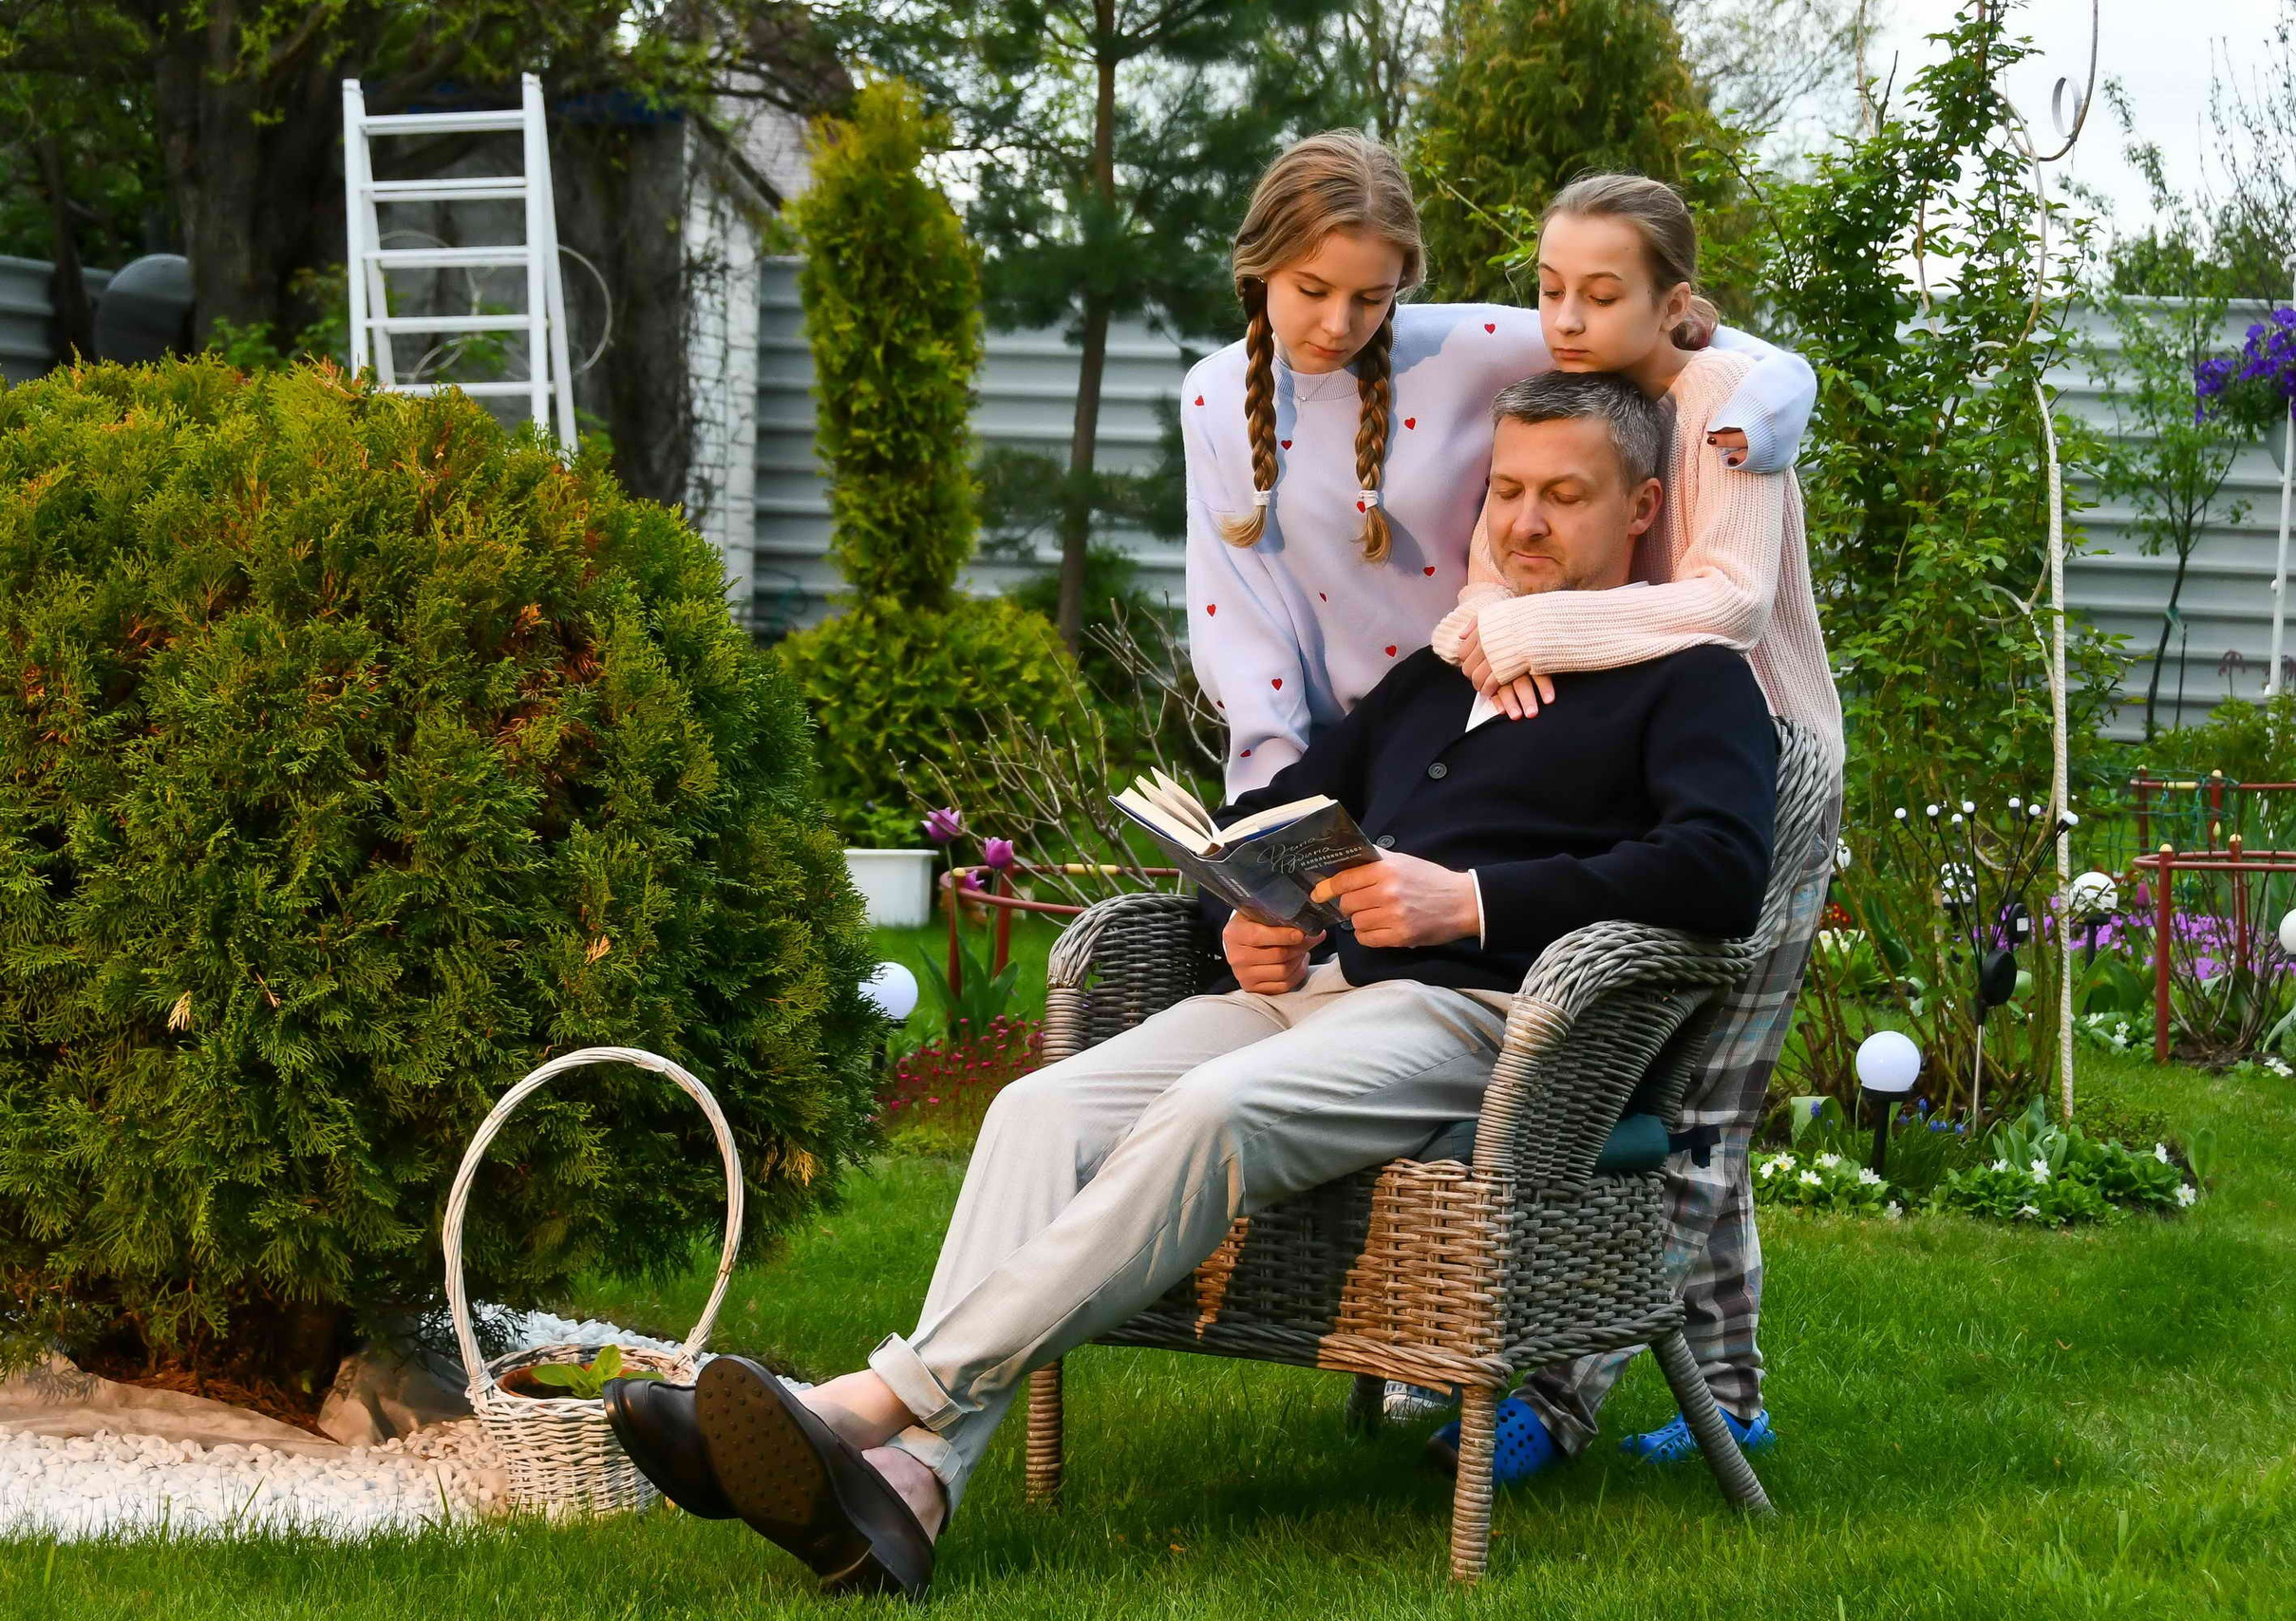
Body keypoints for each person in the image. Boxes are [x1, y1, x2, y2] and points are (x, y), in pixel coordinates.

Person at [605, 372, 1782, 1598]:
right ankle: (914, 1486)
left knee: (1215, 1111)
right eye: (1509, 492)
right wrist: (1243, 914)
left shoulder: (1688, 677)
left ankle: (867, 1400)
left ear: (1641, 507)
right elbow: (1281, 808)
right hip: (1308, 987)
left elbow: (1720, 870)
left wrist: (1470, 901)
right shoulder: (1441, 672)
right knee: (1037, 1108)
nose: (1526, 521)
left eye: (1566, 496)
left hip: (1485, 1017)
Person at [1420, 173, 1842, 1483]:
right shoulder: (1573, 405)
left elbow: (1724, 603)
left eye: (1603, 294)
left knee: (1689, 1104)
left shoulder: (1723, 408)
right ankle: (1727, 1397)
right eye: (1550, 288)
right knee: (1639, 1089)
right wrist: (1483, 644)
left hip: (1759, 775)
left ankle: (1555, 1399)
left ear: (1676, 300)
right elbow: (1485, 589)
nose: (1566, 316)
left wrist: (1526, 633)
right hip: (1629, 776)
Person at [1183, 130, 1816, 801]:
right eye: (1312, 289)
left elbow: (1681, 340)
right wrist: (1271, 794)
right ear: (1258, 265)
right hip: (1352, 751)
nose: (1339, 324)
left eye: (1372, 297)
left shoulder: (1465, 349)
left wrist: (1784, 387)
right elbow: (1241, 619)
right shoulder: (1212, 397)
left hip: (1501, 721)